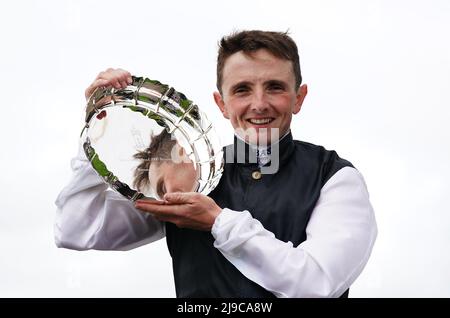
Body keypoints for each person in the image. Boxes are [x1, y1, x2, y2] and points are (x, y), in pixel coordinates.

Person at [55, 30, 377, 297]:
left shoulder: (334, 177)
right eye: (242, 90)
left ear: (299, 97)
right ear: (221, 103)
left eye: (275, 87)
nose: (259, 104)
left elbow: (317, 284)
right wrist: (99, 126)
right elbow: (74, 229)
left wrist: (217, 222)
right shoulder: (187, 172)